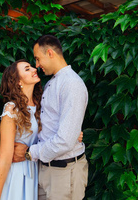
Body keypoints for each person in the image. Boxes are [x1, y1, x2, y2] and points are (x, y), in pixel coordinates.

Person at [13, 35, 89, 200]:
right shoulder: (52, 83)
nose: (37, 65)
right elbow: (51, 126)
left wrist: (28, 152)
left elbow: (64, 140)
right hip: (45, 170)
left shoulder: (71, 84)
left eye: (38, 59)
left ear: (50, 53)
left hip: (64, 172)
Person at [0, 59, 42, 199]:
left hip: (36, 173)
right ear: (18, 81)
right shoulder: (12, 109)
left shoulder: (41, 104)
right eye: (27, 69)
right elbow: (4, 158)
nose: (34, 69)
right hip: (17, 176)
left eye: (32, 67)